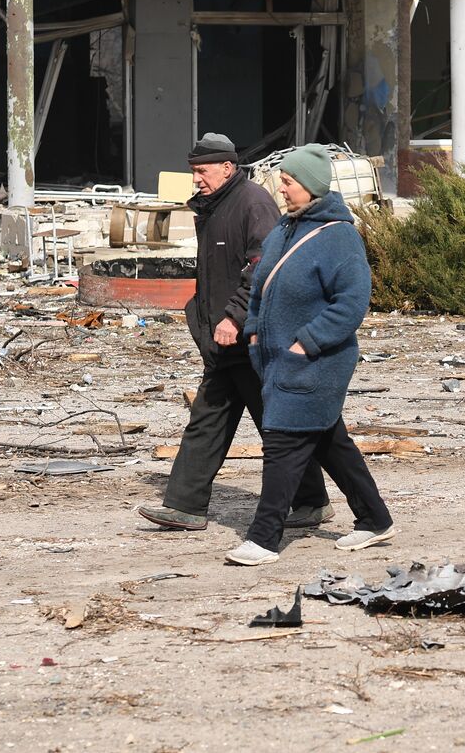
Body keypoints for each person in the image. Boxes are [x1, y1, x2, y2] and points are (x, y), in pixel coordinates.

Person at [137, 133, 331, 532]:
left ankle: (312, 502)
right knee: (208, 420)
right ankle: (185, 506)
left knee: (276, 424)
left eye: (202, 171)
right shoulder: (215, 206)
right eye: (193, 172)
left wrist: (235, 317)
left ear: (227, 168)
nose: (196, 180)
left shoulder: (251, 203)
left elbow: (262, 266)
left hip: (249, 337)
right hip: (222, 340)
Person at [225, 144, 396, 566]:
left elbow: (352, 302)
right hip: (275, 359)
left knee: (282, 443)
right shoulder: (286, 228)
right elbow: (261, 284)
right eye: (282, 181)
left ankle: (264, 539)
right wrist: (251, 331)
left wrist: (307, 342)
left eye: (288, 182)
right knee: (329, 441)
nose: (281, 189)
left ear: (311, 186)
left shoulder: (339, 236)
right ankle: (375, 519)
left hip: (316, 361)